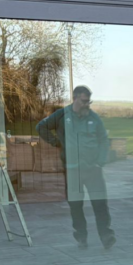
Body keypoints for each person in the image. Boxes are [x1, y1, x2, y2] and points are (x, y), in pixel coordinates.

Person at [37, 85, 116, 250]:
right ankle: (81, 237)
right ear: (75, 98)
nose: (87, 104)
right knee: (75, 205)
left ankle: (106, 235)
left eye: (89, 101)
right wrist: (56, 142)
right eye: (84, 101)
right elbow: (41, 127)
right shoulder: (61, 116)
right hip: (73, 169)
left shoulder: (94, 118)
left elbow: (103, 141)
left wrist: (100, 161)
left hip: (93, 169)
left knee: (100, 204)